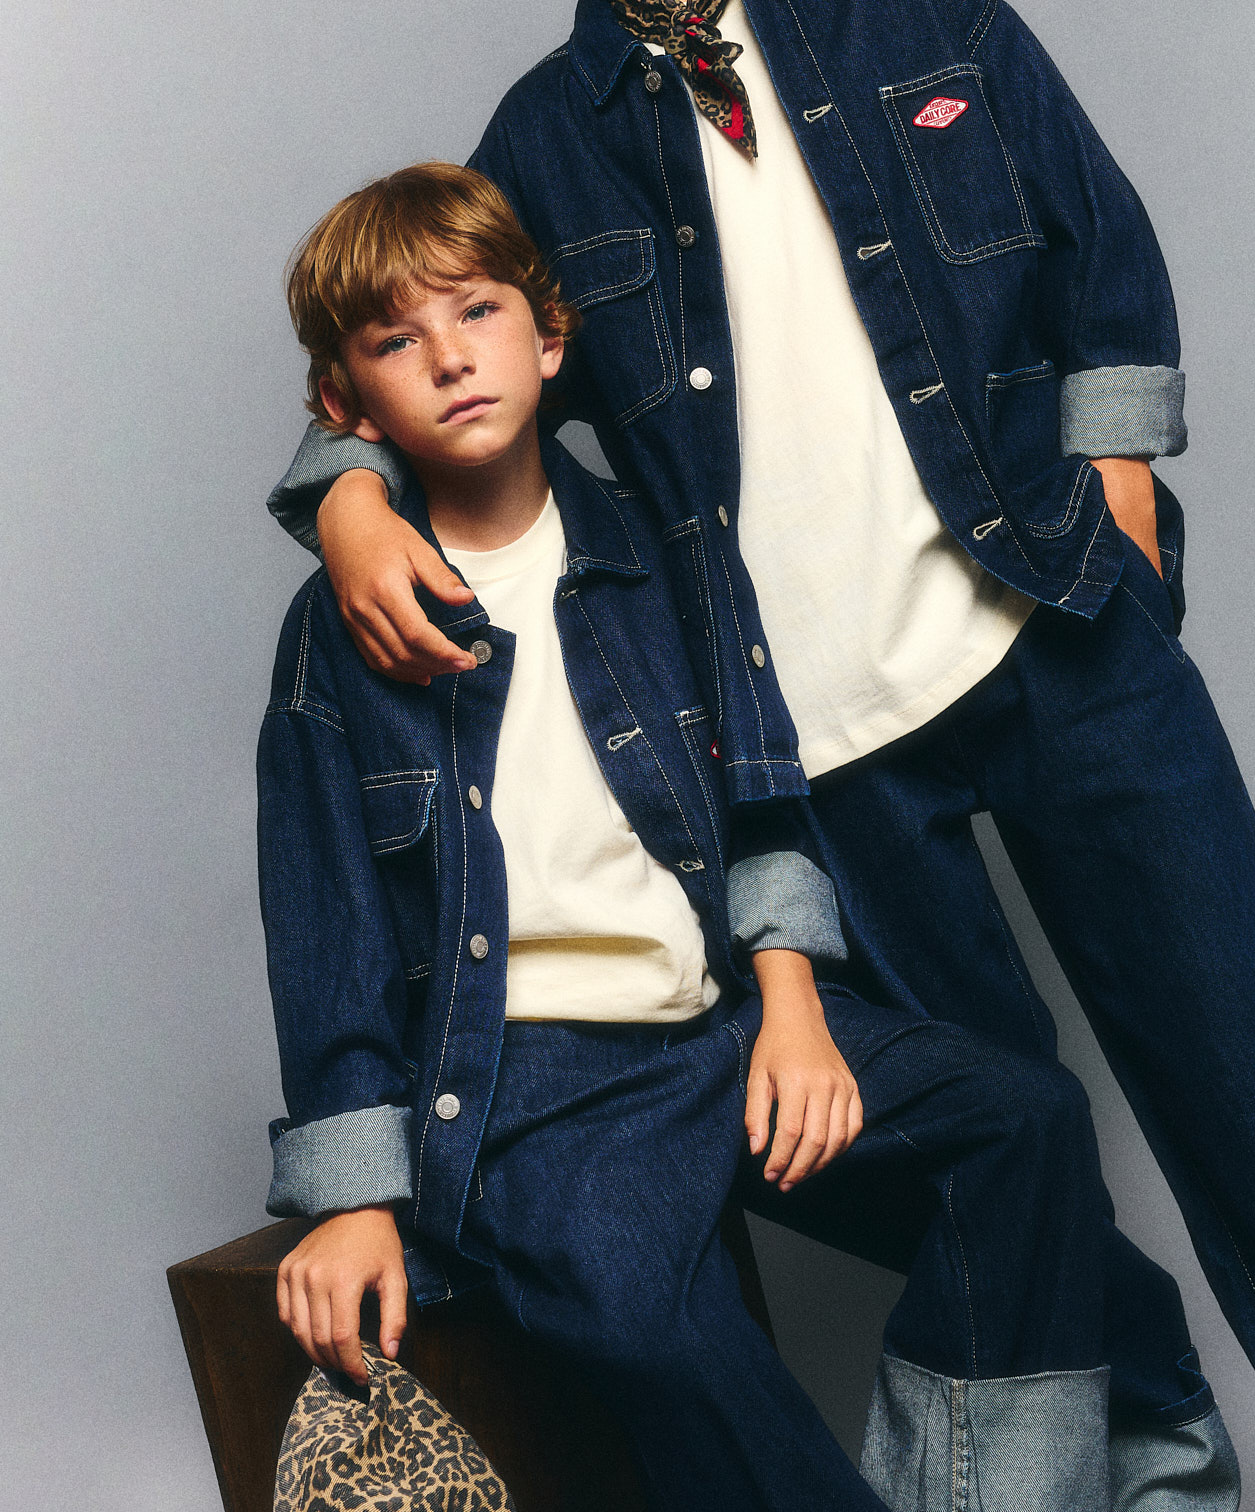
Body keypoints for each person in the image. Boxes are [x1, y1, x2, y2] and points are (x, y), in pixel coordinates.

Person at [262, 0, 1255, 1510]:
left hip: (1052, 623)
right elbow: (444, 347)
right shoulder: (542, 140)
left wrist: (1116, 485)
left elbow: (1090, 227)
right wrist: (345, 499)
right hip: (821, 739)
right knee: (1011, 1143)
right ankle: (1150, 1467)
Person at [259, 161, 1128, 1512]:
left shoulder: (662, 554)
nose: (450, 359)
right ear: (344, 404)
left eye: (477, 313)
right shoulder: (341, 629)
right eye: (394, 341)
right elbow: (326, 926)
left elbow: (762, 799)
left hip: (718, 1029)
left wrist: (793, 1006)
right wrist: (349, 1194)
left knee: (1022, 1125)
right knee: (644, 1320)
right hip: (533, 1084)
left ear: (550, 336)